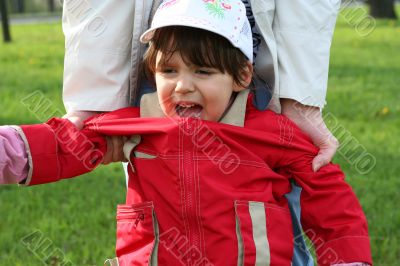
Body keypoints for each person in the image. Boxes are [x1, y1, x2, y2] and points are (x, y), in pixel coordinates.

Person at [0, 1, 371, 265]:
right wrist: (10, 150)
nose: (182, 87)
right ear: (152, 75)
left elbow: (327, 195)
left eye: (204, 72)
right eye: (169, 71)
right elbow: (70, 143)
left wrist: (347, 257)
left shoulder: (271, 132)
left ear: (242, 77)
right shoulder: (138, 123)